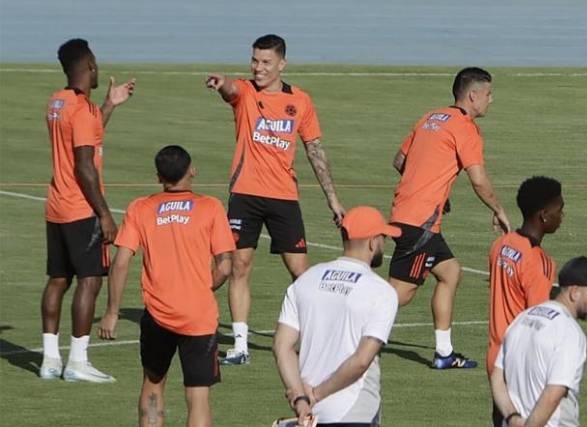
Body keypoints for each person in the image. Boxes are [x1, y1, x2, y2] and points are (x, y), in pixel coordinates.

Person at [205, 34, 346, 364]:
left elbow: (314, 150)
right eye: (255, 60)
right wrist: (221, 81)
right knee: (239, 267)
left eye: (266, 62)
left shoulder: (301, 101)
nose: (258, 68)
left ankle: (315, 337)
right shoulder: (245, 92)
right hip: (245, 195)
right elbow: (231, 89)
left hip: (284, 197)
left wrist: (333, 199)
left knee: (301, 273)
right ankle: (240, 346)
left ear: (282, 64)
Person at [99, 145, 235, 427]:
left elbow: (121, 262)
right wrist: (202, 288)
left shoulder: (141, 208)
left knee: (153, 384)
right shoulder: (211, 207)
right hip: (199, 316)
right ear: (192, 171)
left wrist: (112, 311)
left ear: (158, 177)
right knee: (198, 397)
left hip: (157, 315)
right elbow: (225, 265)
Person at [388, 66, 511, 369]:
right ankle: (340, 327)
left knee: (451, 273)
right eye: (488, 94)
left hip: (412, 214)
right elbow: (479, 180)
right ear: (473, 95)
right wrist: (498, 209)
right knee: (399, 295)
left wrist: (432, 188)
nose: (490, 100)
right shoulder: (466, 128)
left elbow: (399, 160)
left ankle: (444, 353)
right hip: (421, 224)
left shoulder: (431, 117)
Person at [39, 38, 136, 383]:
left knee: (58, 279)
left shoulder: (58, 102)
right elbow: (84, 165)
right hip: (81, 209)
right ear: (90, 66)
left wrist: (110, 105)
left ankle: (50, 360)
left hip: (56, 207)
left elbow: (86, 138)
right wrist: (105, 214)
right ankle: (78, 361)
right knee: (90, 280)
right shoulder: (81, 109)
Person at [273, 206, 400, 427]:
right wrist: (318, 393)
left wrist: (301, 398)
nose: (384, 243)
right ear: (372, 242)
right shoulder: (382, 291)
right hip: (355, 412)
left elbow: (281, 346)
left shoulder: (305, 280)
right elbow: (361, 361)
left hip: (309, 415)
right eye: (383, 237)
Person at [491, 257, 587, 427]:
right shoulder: (569, 332)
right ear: (574, 291)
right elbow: (554, 393)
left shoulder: (523, 318)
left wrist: (512, 417)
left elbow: (497, 377)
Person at [488, 176, 564, 425]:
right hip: (520, 360)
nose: (561, 216)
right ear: (543, 215)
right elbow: (537, 318)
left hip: (495, 355)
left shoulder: (500, 244)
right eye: (559, 210)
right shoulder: (539, 261)